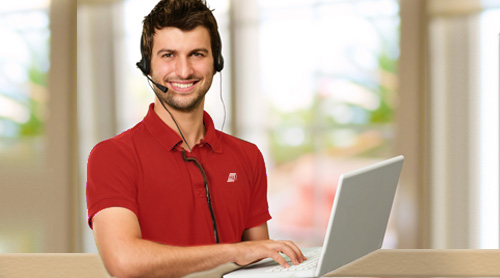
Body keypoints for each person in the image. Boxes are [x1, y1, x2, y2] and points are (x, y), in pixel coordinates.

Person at [86, 0, 305, 277]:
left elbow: (259, 262)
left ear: (216, 62)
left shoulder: (248, 156)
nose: (184, 70)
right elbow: (123, 261)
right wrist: (232, 251)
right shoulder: (112, 156)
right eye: (168, 55)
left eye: (197, 54)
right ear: (147, 66)